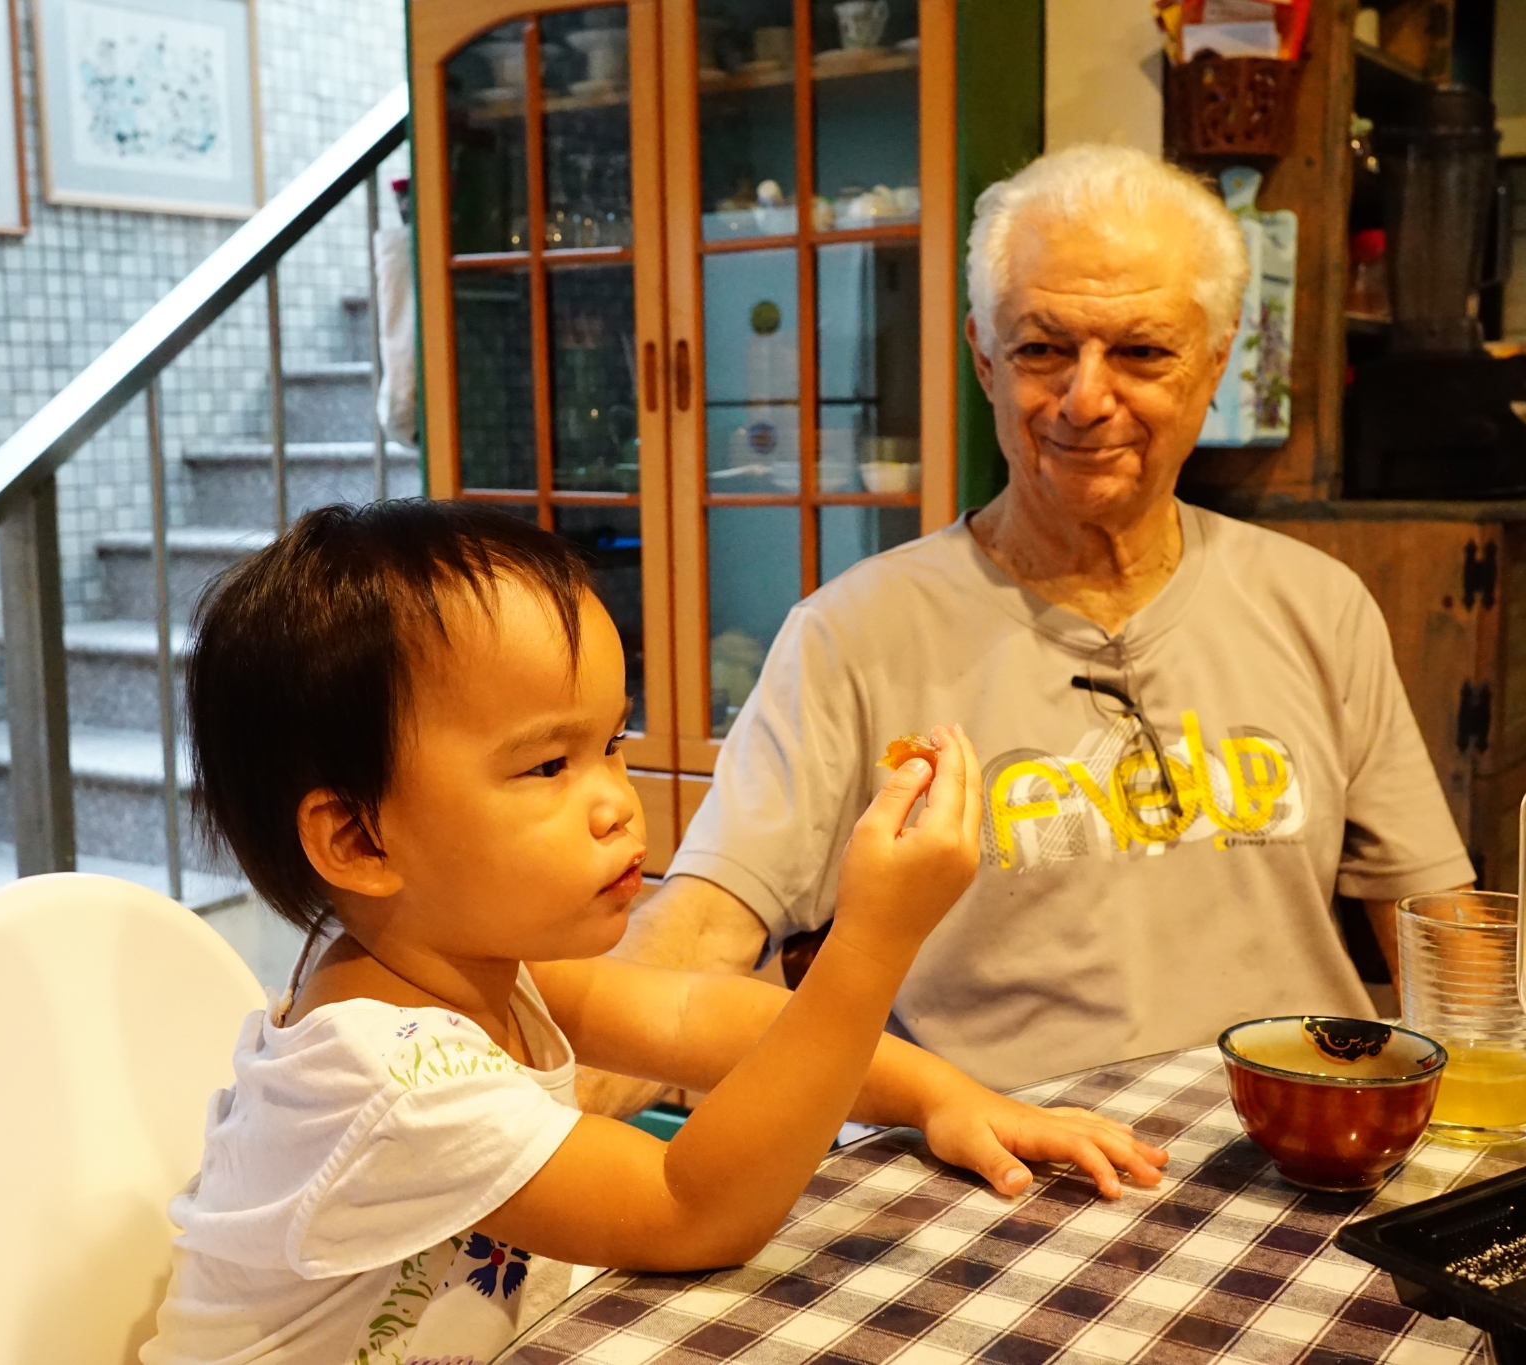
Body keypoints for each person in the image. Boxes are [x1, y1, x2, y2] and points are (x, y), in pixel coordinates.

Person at [140, 501, 1168, 1365]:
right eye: (548, 766)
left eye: (612, 744)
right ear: (360, 840)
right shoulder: (388, 1078)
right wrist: (872, 942)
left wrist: (939, 1095)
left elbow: (694, 1015)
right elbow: (693, 1210)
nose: (615, 803)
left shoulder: (462, 967)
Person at [586, 144, 1475, 1113]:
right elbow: (705, 926)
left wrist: (1501, 1116)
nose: (1085, 400)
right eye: (1042, 350)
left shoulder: (1319, 606)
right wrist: (527, 1118)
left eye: (1141, 352)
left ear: (1215, 362)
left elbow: (1434, 925)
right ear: (983, 356)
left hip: (1292, 1140)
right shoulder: (851, 636)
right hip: (995, 1160)